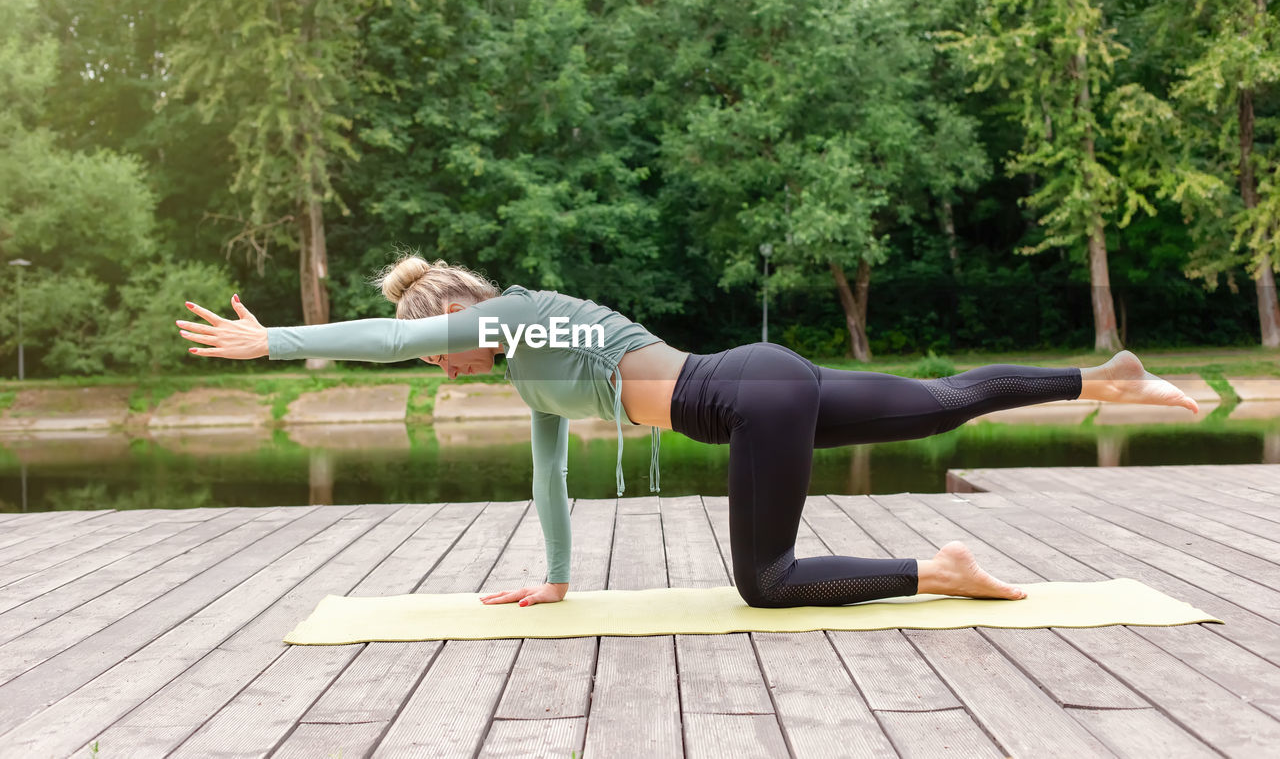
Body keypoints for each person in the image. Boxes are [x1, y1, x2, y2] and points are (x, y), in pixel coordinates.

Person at [176, 255, 1199, 610]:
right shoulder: (532, 379)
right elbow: (548, 482)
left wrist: (276, 342)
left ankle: (939, 569)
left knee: (766, 579)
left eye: (435, 348)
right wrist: (559, 578)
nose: (440, 366)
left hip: (745, 398)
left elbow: (383, 342)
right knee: (936, 401)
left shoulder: (522, 315)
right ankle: (1100, 377)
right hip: (764, 387)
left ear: (458, 322)